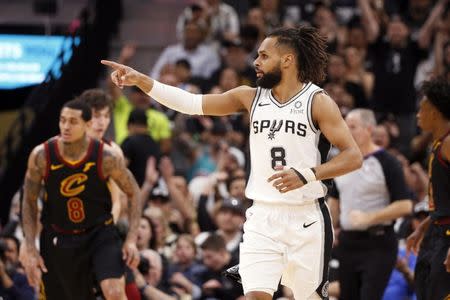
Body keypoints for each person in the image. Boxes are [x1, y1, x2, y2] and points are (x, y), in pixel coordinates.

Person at [102, 25, 363, 299]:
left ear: (287, 60)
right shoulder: (250, 97)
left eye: (264, 56)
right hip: (261, 216)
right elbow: (192, 103)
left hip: (306, 217)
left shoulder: (317, 101)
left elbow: (353, 156)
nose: (255, 62)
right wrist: (143, 81)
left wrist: (308, 174)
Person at [20, 99, 141, 300]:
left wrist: (131, 239)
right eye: (62, 120)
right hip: (60, 238)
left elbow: (134, 192)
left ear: (87, 125)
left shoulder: (106, 157)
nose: (66, 126)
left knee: (114, 292)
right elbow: (29, 201)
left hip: (100, 233)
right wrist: (30, 245)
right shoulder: (42, 155)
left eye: (73, 122)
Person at [328, 108, 413, 300]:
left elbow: (406, 205)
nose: (347, 131)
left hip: (379, 243)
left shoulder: (387, 162)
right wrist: (330, 228)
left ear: (369, 129)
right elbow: (334, 200)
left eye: (353, 127)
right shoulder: (340, 163)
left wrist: (369, 217)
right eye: (345, 127)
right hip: (348, 243)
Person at [406, 77, 450, 300]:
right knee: (424, 289)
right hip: (435, 229)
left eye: (421, 110)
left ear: (433, 111)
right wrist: (423, 226)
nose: (417, 115)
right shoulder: (437, 144)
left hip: (447, 234)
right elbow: (443, 202)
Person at [79, 88, 124, 223]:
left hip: (100, 228)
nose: (102, 122)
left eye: (106, 116)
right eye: (97, 115)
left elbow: (117, 201)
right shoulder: (61, 148)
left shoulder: (113, 151)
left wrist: (105, 232)